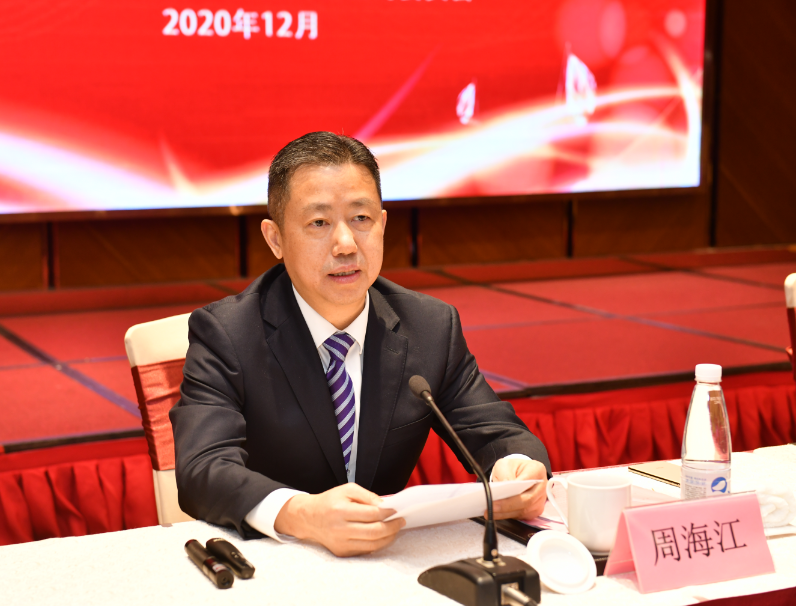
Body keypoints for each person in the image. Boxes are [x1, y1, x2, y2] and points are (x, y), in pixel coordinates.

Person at [170, 132, 551, 557]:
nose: (346, 244)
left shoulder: (430, 327)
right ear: (275, 239)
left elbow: (499, 435)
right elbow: (203, 468)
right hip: (274, 560)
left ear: (382, 225)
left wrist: (518, 468)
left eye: (361, 218)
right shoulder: (228, 333)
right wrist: (302, 514)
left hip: (389, 560)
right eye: (319, 223)